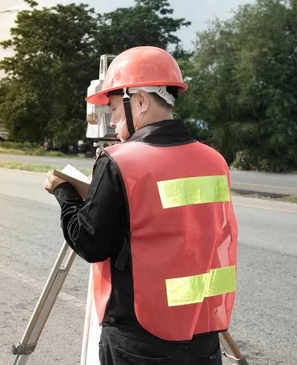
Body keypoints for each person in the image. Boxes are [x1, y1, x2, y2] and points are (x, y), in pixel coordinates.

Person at [44, 46, 238, 364]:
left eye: (115, 112)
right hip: (201, 333)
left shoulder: (120, 161)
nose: (113, 124)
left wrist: (64, 192)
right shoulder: (214, 160)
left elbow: (90, 244)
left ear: (141, 101)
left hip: (138, 338)